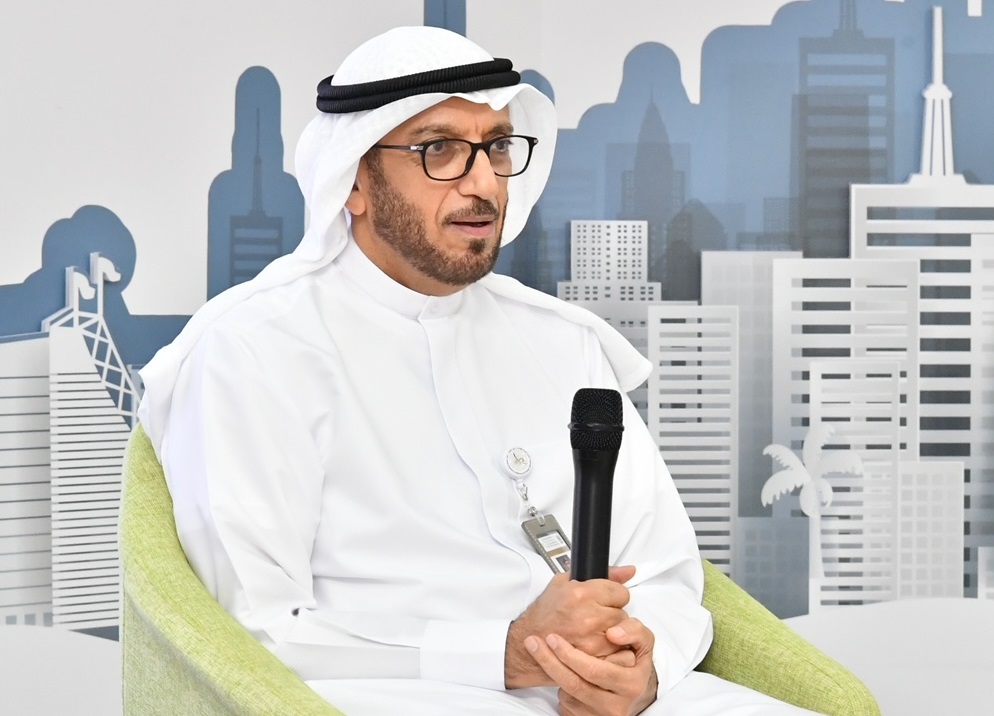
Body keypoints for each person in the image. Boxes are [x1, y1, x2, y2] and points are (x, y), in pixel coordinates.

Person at [138, 26, 819, 715]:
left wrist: (642, 667)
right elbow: (257, 630)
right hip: (394, 694)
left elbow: (665, 569)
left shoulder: (565, 342)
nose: (485, 182)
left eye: (495, 147)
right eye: (439, 149)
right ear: (355, 180)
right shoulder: (252, 351)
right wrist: (503, 653)